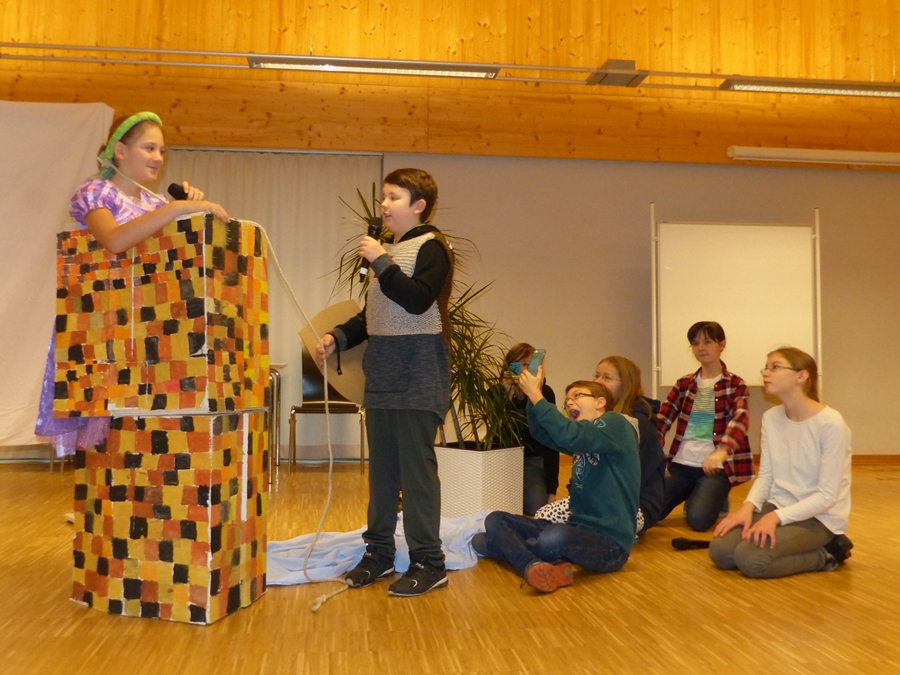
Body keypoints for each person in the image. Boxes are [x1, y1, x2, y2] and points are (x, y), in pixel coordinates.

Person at [35, 112, 229, 456]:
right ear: (120, 151)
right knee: (109, 440)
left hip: (148, 330)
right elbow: (115, 240)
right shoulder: (96, 192)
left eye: (162, 151)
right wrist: (175, 210)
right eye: (149, 148)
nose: (158, 157)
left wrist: (189, 213)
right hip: (102, 329)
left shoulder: (157, 205)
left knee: (145, 437)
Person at [315, 168, 454, 598]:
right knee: (383, 475)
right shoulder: (388, 253)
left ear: (419, 206)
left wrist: (380, 260)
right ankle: (378, 554)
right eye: (384, 198)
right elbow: (373, 316)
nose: (384, 205)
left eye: (394, 197)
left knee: (416, 474)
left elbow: (417, 300)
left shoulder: (433, 247)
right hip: (383, 377)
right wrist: (337, 338)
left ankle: (429, 562)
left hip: (418, 374)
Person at [473, 372, 640, 593]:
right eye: (567, 400)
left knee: (544, 538)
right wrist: (533, 395)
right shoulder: (585, 440)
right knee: (494, 520)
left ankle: (524, 557)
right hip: (576, 530)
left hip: (611, 545)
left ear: (600, 402)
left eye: (577, 395)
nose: (569, 402)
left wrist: (536, 395)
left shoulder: (615, 423)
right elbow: (543, 434)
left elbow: (569, 435)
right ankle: (538, 564)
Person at [709, 348, 853, 577]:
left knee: (750, 560)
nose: (766, 373)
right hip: (778, 506)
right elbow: (767, 475)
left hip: (819, 517)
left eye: (775, 367)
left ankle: (827, 553)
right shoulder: (771, 418)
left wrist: (774, 518)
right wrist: (747, 508)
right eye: (766, 368)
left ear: (801, 376)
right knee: (720, 551)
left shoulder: (831, 424)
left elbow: (827, 497)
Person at [655, 321, 752, 532]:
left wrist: (722, 450)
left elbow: (740, 419)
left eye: (707, 342)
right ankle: (696, 490)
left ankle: (710, 493)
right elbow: (663, 418)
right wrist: (655, 452)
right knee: (649, 510)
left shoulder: (735, 384)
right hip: (682, 463)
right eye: (695, 343)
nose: (701, 348)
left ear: (722, 345)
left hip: (714, 467)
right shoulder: (684, 383)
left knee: (698, 521)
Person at [595, 356, 666, 536]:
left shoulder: (640, 424)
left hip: (635, 504)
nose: (598, 382)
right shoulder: (601, 418)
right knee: (547, 515)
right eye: (597, 376)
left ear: (626, 385)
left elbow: (629, 478)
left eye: (606, 377)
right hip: (604, 498)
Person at [502, 343, 559, 515]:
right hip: (504, 458)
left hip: (533, 458)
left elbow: (551, 442)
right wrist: (507, 398)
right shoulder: (496, 392)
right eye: (520, 364)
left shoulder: (545, 393)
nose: (525, 369)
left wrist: (552, 491)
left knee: (535, 505)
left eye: (529, 364)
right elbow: (498, 434)